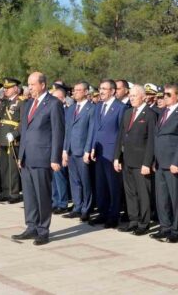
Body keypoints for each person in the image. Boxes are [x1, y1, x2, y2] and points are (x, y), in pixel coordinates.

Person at [11, 72, 65, 246]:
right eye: (28, 84)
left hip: (43, 157)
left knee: (42, 195)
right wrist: (20, 155)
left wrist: (55, 158)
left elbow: (58, 132)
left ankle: (43, 230)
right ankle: (31, 226)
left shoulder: (54, 104)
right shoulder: (27, 104)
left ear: (42, 85)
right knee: (29, 195)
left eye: (32, 84)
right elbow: (25, 131)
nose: (29, 87)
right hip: (27, 157)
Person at [151, 83, 178, 243]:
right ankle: (165, 227)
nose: (165, 97)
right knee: (161, 197)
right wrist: (155, 160)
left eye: (169, 94)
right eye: (164, 94)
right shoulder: (163, 112)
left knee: (175, 197)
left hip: (173, 163)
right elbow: (158, 137)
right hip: (160, 161)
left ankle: (176, 229)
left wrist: (177, 161)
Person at [114, 85, 155, 235]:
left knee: (143, 193)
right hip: (127, 160)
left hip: (141, 161)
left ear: (143, 97)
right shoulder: (128, 113)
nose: (131, 99)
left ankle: (144, 223)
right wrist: (116, 157)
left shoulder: (150, 114)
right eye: (130, 96)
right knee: (130, 192)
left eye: (134, 96)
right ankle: (133, 220)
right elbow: (121, 136)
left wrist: (147, 163)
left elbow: (151, 140)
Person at [89, 79, 128, 229]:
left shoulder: (120, 107)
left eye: (104, 89)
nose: (101, 91)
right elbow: (95, 129)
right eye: (100, 88)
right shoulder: (98, 106)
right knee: (101, 185)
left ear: (112, 91)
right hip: (99, 152)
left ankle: (113, 215)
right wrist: (92, 147)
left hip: (112, 152)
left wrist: (118, 155)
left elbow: (121, 133)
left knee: (113, 185)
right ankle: (102, 213)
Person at [62, 81, 94, 222]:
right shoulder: (71, 108)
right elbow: (67, 131)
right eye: (74, 90)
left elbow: (91, 131)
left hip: (82, 151)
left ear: (86, 92)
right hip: (71, 150)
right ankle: (77, 206)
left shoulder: (91, 108)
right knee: (74, 181)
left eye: (78, 90)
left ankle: (86, 209)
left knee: (85, 181)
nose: (74, 93)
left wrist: (88, 150)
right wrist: (64, 150)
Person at [0, 78, 24, 203]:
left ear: (16, 88)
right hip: (2, 137)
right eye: (5, 88)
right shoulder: (4, 102)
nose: (6, 90)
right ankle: (5, 191)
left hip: (13, 138)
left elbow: (23, 122)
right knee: (4, 167)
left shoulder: (22, 102)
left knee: (12, 168)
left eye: (8, 88)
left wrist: (15, 134)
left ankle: (14, 193)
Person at [50, 83, 70, 213]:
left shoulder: (67, 111)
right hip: (51, 147)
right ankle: (55, 201)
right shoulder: (52, 109)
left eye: (56, 98)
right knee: (53, 177)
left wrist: (64, 151)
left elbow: (66, 132)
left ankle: (62, 203)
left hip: (61, 147)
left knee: (60, 176)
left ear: (63, 99)